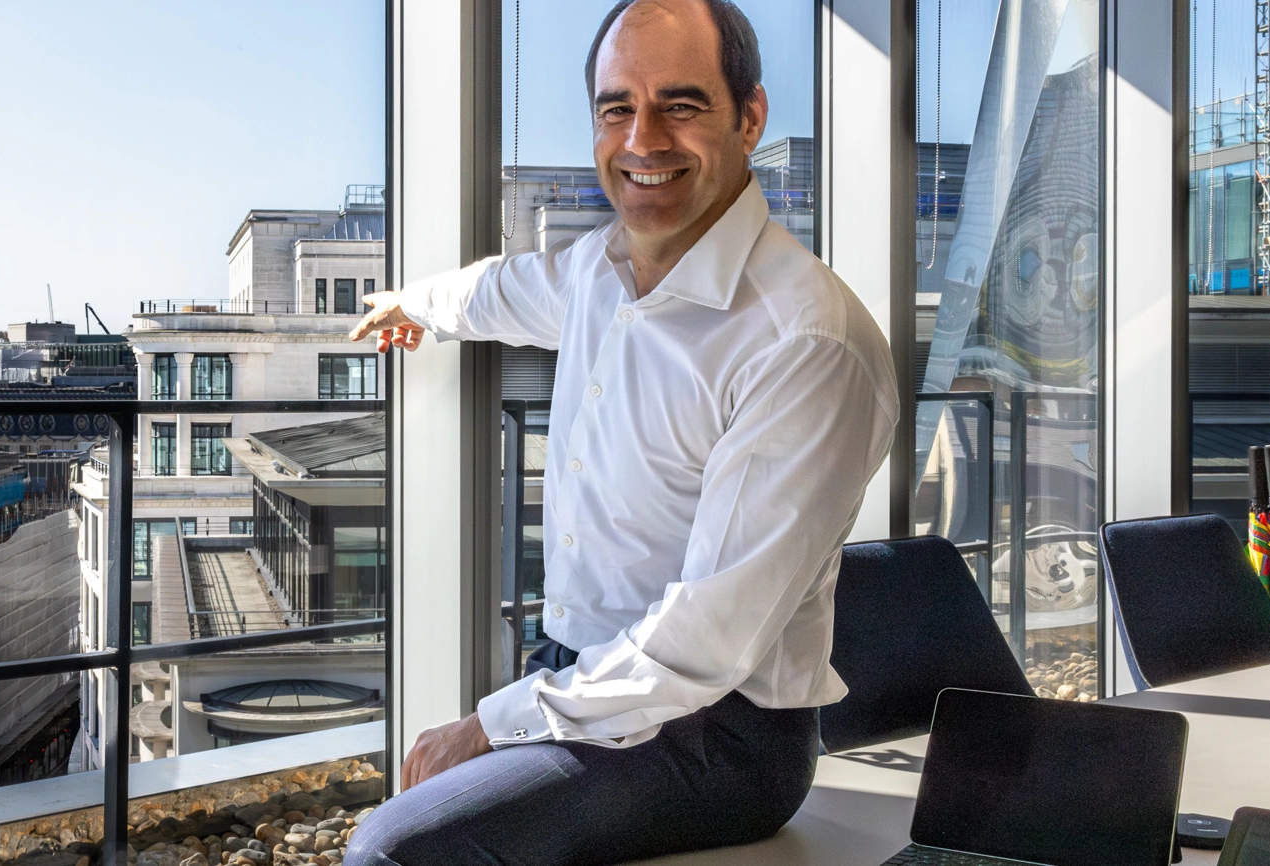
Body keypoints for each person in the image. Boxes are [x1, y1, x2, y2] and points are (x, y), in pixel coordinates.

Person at [343, 1, 897, 863]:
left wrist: (490, 724)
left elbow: (703, 645)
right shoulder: (599, 272)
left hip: (719, 735)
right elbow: (500, 289)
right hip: (581, 673)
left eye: (681, 105)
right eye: (616, 108)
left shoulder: (806, 340)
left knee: (391, 848)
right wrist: (411, 305)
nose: (643, 138)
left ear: (749, 116)